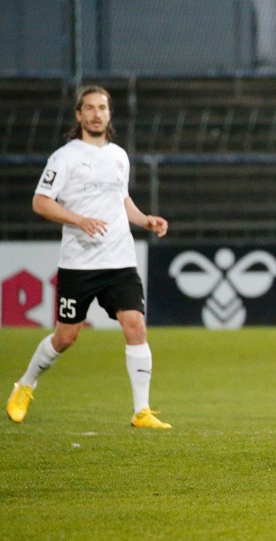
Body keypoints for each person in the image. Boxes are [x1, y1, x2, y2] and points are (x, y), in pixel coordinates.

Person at [5, 85, 172, 429]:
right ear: (79, 115)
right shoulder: (64, 157)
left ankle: (142, 411)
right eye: (90, 108)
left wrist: (144, 220)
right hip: (80, 263)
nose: (97, 114)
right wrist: (78, 219)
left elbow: (121, 199)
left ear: (110, 114)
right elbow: (41, 202)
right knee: (66, 337)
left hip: (120, 260)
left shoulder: (119, 156)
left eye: (103, 108)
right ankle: (25, 385)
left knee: (135, 325)